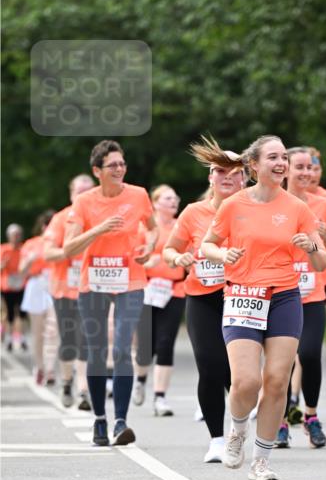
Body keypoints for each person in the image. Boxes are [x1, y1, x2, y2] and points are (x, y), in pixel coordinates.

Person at [201, 135, 326, 480]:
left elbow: (319, 263)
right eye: (273, 157)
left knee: (276, 382)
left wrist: (311, 246)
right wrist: (222, 255)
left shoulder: (298, 208)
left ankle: (261, 460)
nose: (281, 163)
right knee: (245, 381)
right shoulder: (233, 205)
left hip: (284, 296)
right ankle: (237, 430)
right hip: (242, 294)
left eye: (284, 157)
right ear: (253, 165)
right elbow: (208, 245)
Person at [64, 140, 157, 447]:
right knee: (96, 352)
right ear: (97, 170)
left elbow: (153, 227)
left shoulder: (139, 195)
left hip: (130, 278)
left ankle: (120, 422)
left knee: (121, 349)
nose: (119, 169)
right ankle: (100, 420)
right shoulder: (84, 202)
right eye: (112, 165)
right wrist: (99, 229)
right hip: (94, 283)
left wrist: (150, 246)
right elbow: (69, 247)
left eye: (122, 164)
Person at [163, 138, 245, 463]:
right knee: (210, 366)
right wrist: (178, 258)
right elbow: (169, 249)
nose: (226, 177)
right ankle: (216, 439)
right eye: (218, 170)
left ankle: (244, 419)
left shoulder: (253, 210)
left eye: (234, 172)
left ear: (245, 178)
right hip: (201, 298)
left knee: (239, 373)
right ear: (209, 178)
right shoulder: (193, 213)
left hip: (241, 297)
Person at [275, 147, 326, 449]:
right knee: (282, 361)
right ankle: (278, 422)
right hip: (278, 290)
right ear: (286, 169)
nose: (305, 172)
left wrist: (325, 235)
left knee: (310, 354)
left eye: (310, 167)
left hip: (313, 291)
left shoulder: (324, 204)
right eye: (299, 166)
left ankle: (311, 417)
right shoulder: (272, 203)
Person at [133, 185, 187, 416]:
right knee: (146, 345)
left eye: (175, 198)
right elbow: (132, 257)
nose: (173, 202)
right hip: (147, 289)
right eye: (167, 198)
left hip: (175, 290)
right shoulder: (144, 228)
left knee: (166, 343)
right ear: (155, 203)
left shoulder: (181, 226)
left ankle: (160, 397)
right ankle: (140, 379)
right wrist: (146, 263)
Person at [43, 174, 95, 408]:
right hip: (64, 289)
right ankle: (66, 382)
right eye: (79, 192)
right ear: (71, 193)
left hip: (91, 287)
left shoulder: (98, 219)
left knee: (87, 339)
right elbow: (48, 253)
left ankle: (83, 390)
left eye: (88, 191)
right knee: (69, 339)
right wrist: (70, 250)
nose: (83, 196)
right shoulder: (60, 219)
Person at [18, 210, 58, 385]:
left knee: (53, 330)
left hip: (55, 284)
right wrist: (29, 260)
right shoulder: (31, 244)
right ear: (44, 227)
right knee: (38, 332)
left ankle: (50, 369)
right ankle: (40, 367)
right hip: (36, 285)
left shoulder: (61, 242)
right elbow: (21, 270)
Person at [1, 224, 27, 351]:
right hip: (7, 286)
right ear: (9, 236)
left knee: (22, 313)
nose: (16, 238)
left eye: (18, 235)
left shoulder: (24, 249)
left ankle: (21, 338)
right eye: (13, 235)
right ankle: (10, 338)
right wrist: (3, 265)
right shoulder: (3, 249)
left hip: (22, 284)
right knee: (9, 312)